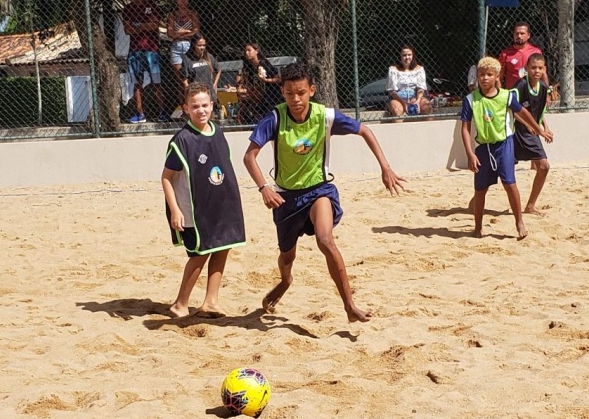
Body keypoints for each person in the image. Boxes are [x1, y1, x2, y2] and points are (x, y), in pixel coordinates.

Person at [242, 65, 406, 323]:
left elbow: (365, 130)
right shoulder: (274, 119)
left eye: (301, 92)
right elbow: (249, 156)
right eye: (289, 93)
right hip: (286, 198)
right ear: (282, 92)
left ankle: (349, 305)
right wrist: (264, 187)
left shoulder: (325, 116)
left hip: (319, 190)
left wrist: (385, 167)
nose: (295, 99)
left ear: (312, 90)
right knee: (287, 255)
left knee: (325, 240)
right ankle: (285, 281)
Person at [161, 85, 246, 317]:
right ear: (186, 108)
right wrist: (175, 210)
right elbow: (166, 177)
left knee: (222, 247)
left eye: (205, 105)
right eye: (195, 106)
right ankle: (180, 303)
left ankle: (211, 301)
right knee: (200, 253)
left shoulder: (217, 131)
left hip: (221, 203)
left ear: (212, 105)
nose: (201, 110)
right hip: (194, 210)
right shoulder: (181, 141)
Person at [460, 56, 552, 240]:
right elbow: (465, 128)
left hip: (504, 145)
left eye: (489, 74)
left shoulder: (506, 96)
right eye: (481, 75)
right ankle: (478, 228)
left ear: (497, 76)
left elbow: (523, 112)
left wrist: (539, 129)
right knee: (480, 190)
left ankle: (519, 222)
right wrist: (470, 154)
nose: (485, 78)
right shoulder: (470, 100)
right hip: (483, 149)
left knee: (510, 184)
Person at [514, 52, 559, 214]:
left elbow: (538, 112)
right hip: (515, 133)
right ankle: (475, 202)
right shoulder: (520, 86)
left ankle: (530, 206)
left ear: (544, 69)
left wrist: (545, 127)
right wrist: (530, 125)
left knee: (543, 166)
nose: (537, 71)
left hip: (531, 134)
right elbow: (512, 111)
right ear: (526, 68)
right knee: (499, 171)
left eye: (540, 68)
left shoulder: (544, 88)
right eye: (533, 68)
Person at [121, 0, 164, 124]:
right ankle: (140, 114)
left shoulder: (152, 6)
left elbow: (155, 25)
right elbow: (127, 30)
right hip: (135, 50)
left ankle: (162, 112)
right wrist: (146, 25)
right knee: (137, 83)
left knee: (156, 81)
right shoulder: (127, 9)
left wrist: (138, 25)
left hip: (152, 50)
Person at [165, 0, 203, 119]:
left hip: (189, 46)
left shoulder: (192, 14)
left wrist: (180, 32)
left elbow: (196, 31)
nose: (183, 1)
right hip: (176, 48)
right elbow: (170, 33)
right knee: (180, 80)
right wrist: (187, 32)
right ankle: (184, 108)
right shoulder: (172, 15)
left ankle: (194, 105)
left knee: (192, 77)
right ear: (176, 0)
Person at [236, 42, 279, 123]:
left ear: (256, 51)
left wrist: (265, 80)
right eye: (245, 51)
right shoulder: (249, 67)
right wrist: (237, 88)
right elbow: (252, 85)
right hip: (260, 98)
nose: (246, 53)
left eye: (249, 50)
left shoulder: (264, 63)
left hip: (271, 96)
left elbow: (278, 79)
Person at [385, 46, 432, 119]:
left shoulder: (419, 69)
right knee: (397, 111)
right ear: (400, 56)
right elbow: (392, 91)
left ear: (413, 55)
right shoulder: (393, 70)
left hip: (415, 96)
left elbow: (420, 88)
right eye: (404, 55)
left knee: (427, 107)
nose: (407, 57)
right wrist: (404, 104)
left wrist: (418, 101)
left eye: (409, 55)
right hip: (398, 98)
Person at [497, 21, 544, 89]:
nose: (519, 36)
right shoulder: (505, 54)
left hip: (532, 91)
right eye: (517, 33)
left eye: (522, 33)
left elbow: (542, 74)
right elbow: (499, 77)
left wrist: (547, 91)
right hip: (513, 92)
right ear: (513, 35)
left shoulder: (536, 52)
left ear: (528, 35)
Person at [184, 35, 220, 105]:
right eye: (199, 45)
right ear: (194, 46)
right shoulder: (187, 59)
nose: (202, 48)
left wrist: (215, 84)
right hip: (196, 93)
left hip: (209, 92)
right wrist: (189, 94)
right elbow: (185, 80)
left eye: (204, 45)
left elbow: (218, 69)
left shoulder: (208, 56)